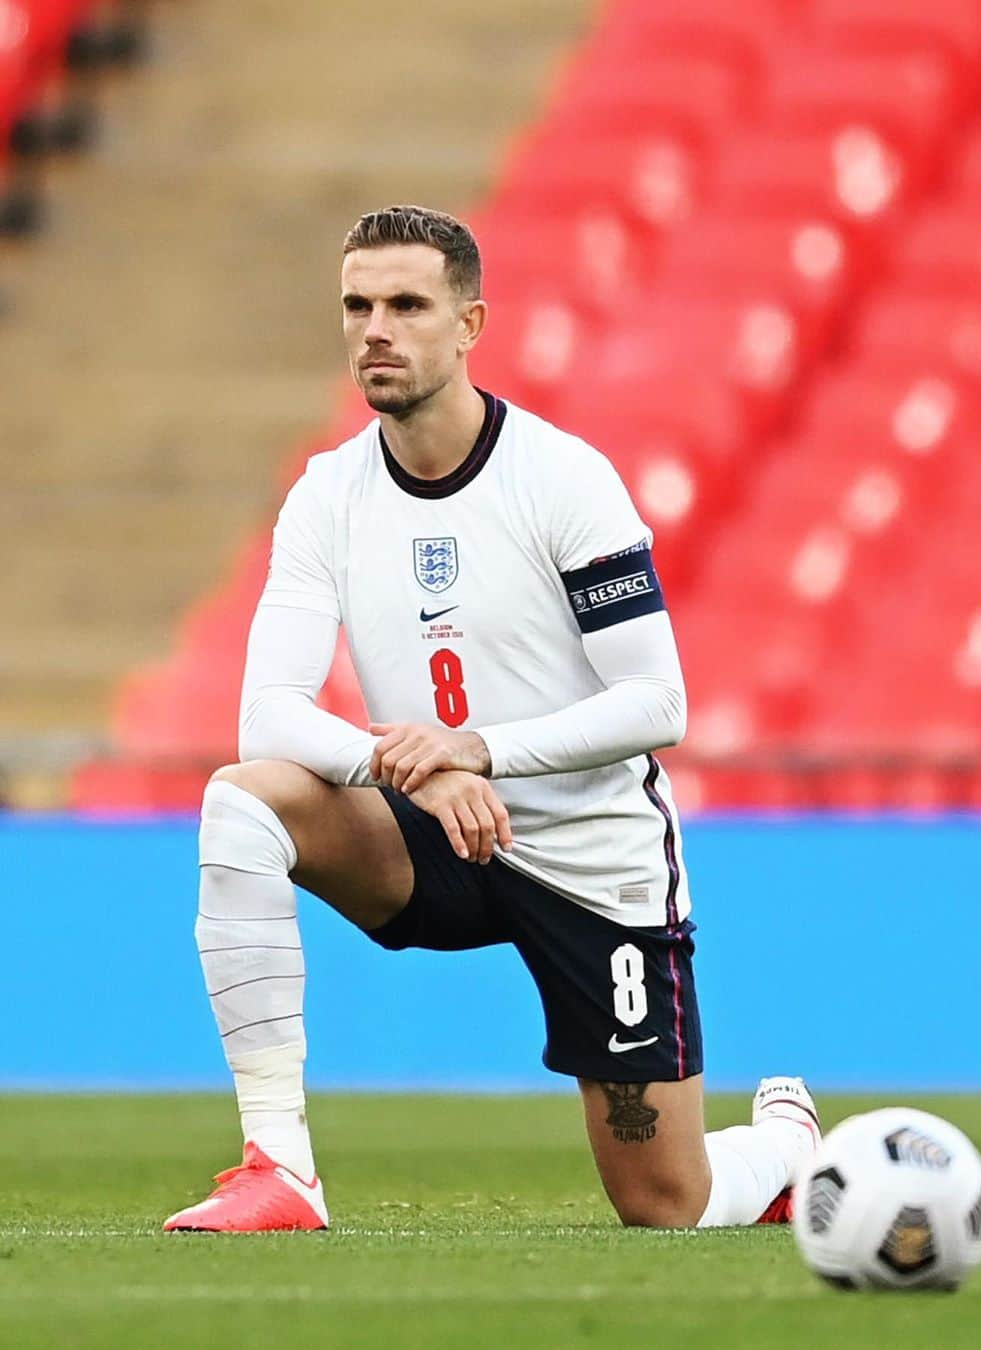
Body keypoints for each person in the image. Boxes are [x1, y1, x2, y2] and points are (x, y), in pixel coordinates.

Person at [163, 205, 819, 1234]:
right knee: (244, 804)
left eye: (407, 305)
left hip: (591, 855)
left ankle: (783, 1146)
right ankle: (277, 1170)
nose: (376, 329)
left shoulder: (563, 480)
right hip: (431, 836)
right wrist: (423, 774)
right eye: (358, 305)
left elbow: (661, 704)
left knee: (666, 1204)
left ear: (470, 324)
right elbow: (269, 716)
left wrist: (479, 751)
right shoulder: (327, 495)